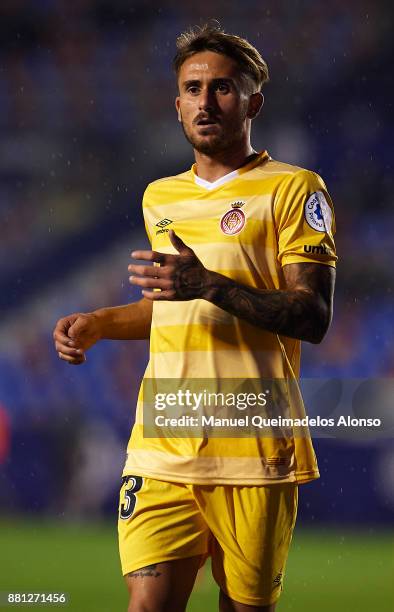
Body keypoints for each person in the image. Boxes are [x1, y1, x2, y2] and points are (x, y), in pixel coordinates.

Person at [53, 24, 337, 612]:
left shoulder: (294, 189)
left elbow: (311, 315)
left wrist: (206, 282)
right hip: (163, 442)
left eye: (224, 88)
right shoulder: (160, 196)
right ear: (177, 102)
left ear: (253, 102)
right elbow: (171, 310)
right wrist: (102, 323)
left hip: (253, 448)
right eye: (193, 88)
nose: (206, 102)